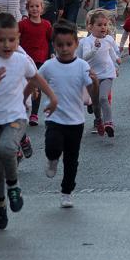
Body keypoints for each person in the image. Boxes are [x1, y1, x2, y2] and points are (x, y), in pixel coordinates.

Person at [0, 12, 58, 230]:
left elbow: (36, 77)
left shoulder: (21, 60)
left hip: (15, 118)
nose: (7, 45)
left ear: (18, 38)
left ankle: (14, 186)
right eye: (1, 40)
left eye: (12, 39)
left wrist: (52, 97)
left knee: (7, 150)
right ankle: (0, 203)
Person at [39, 20, 100, 208]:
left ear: (76, 44)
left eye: (68, 44)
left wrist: (95, 83)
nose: (64, 49)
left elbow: (92, 95)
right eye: (59, 45)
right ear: (54, 45)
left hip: (75, 121)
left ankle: (67, 192)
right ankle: (52, 159)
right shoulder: (49, 66)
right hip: (55, 117)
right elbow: (36, 80)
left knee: (72, 159)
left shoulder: (82, 66)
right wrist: (31, 93)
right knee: (52, 147)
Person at [78, 10, 121, 137]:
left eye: (105, 24)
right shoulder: (86, 42)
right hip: (92, 76)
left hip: (107, 74)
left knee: (103, 98)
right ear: (91, 27)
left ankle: (109, 123)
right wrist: (95, 48)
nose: (103, 27)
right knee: (96, 103)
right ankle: (98, 120)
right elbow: (85, 57)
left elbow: (112, 53)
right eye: (99, 25)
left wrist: (116, 63)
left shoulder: (108, 39)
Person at [18, 0, 53, 126]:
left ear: (42, 8)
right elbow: (16, 40)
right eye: (31, 6)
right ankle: (22, 108)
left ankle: (34, 114)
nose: (34, 9)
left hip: (40, 60)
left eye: (37, 6)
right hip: (24, 60)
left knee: (36, 86)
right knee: (24, 85)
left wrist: (52, 53)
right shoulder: (22, 24)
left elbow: (51, 41)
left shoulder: (46, 24)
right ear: (27, 8)